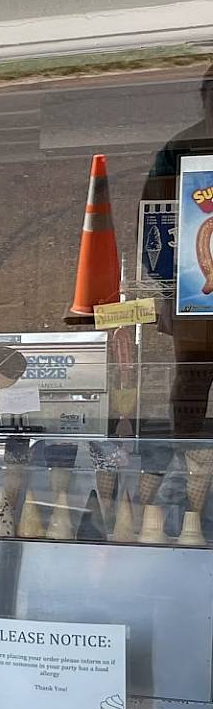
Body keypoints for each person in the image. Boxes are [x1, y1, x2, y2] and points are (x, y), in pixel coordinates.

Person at [142, 68, 213, 434]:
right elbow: (156, 226)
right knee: (191, 383)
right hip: (195, 304)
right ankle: (184, 460)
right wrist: (167, 294)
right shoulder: (178, 150)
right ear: (203, 98)